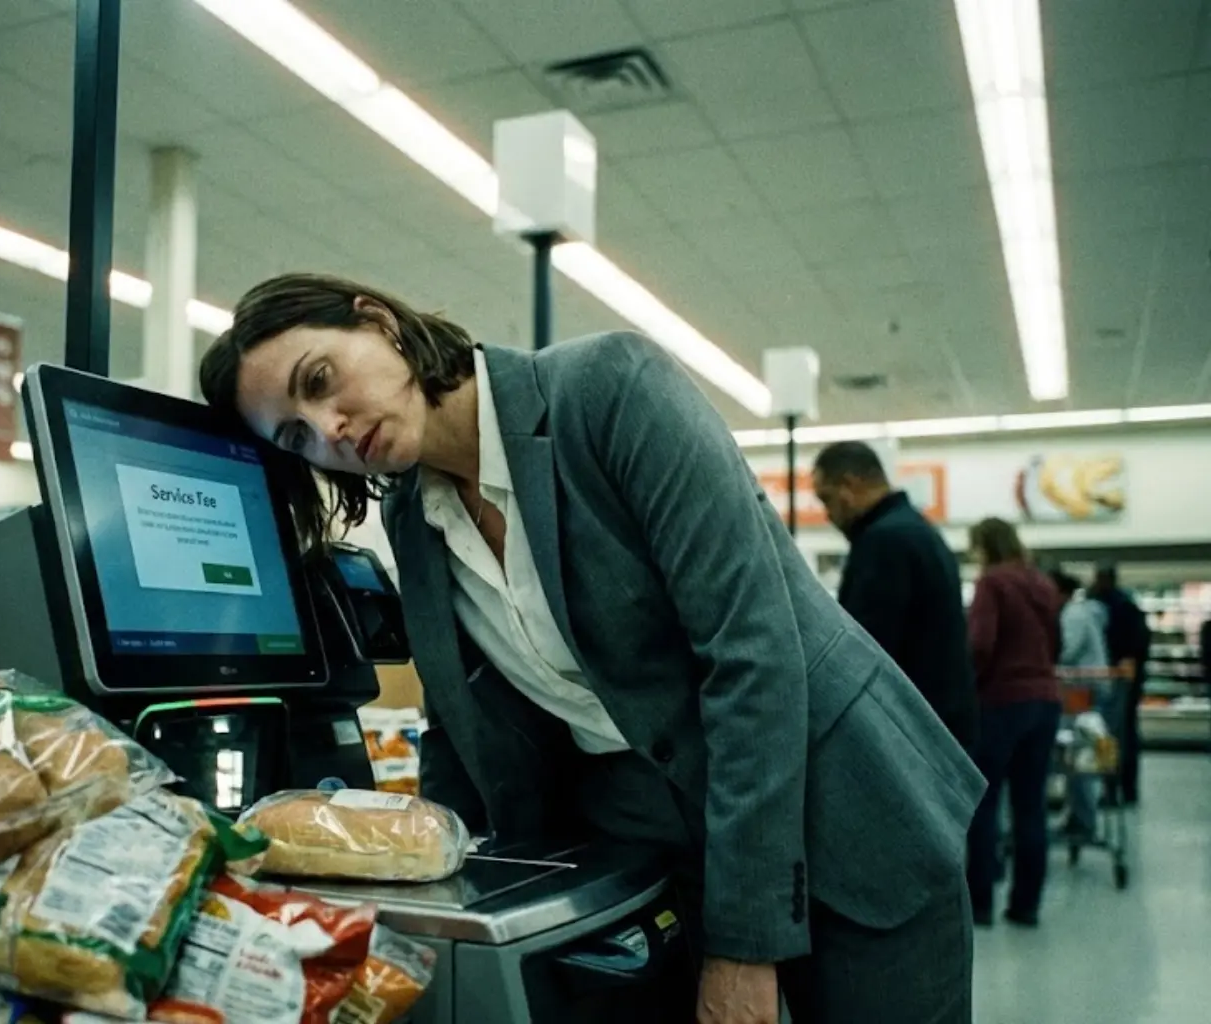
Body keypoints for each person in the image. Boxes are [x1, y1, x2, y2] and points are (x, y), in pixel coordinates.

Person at [200, 273, 985, 1024]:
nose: (331, 427)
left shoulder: (608, 390)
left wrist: (746, 947)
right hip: (669, 851)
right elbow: (464, 727)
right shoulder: (417, 516)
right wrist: (422, 905)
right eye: (298, 435)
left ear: (377, 321)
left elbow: (752, 656)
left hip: (841, 813)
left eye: (321, 378)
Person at [812, 442, 977, 749]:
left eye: (827, 499)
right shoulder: (920, 530)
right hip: (944, 718)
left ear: (850, 483)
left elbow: (866, 646)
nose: (828, 514)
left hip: (907, 730)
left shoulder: (883, 542)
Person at [965, 519, 1063, 927]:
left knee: (984, 805)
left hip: (1002, 700)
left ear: (985, 545)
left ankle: (981, 902)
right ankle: (1026, 905)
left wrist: (968, 681)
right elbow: (1056, 643)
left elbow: (979, 643)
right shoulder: (1041, 583)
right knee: (1030, 806)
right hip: (1045, 700)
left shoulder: (993, 583)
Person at [1049, 569, 1112, 838]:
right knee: (1080, 754)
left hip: (1082, 692)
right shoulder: (1082, 612)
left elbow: (1067, 650)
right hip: (1084, 691)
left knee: (1081, 756)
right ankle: (1079, 816)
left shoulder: (1073, 614)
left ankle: (1083, 819)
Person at [1090, 565, 1151, 805]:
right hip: (1128, 680)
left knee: (1111, 735)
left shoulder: (1107, 604)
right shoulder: (1129, 605)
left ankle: (1111, 788)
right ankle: (1126, 788)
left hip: (1114, 680)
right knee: (1125, 735)